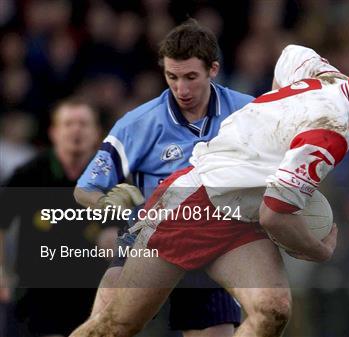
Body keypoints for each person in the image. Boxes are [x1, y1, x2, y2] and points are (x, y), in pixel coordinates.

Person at [70, 44, 349, 337]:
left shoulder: (328, 80)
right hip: (193, 206)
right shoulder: (330, 132)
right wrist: (318, 249)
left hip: (239, 218)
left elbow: (291, 53)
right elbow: (275, 217)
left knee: (272, 309)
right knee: (115, 326)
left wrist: (270, 127)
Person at [74, 19, 254, 337]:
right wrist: (113, 210)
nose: (181, 89)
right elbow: (86, 189)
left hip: (213, 241)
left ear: (213, 69)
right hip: (149, 238)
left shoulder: (249, 113)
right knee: (105, 321)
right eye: (172, 77)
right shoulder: (139, 123)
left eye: (190, 77)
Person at [0, 98, 104, 336]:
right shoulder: (29, 174)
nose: (76, 130)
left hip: (92, 293)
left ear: (97, 132)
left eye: (83, 124)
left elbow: (128, 231)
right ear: (54, 132)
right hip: (35, 293)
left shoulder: (112, 179)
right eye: (68, 124)